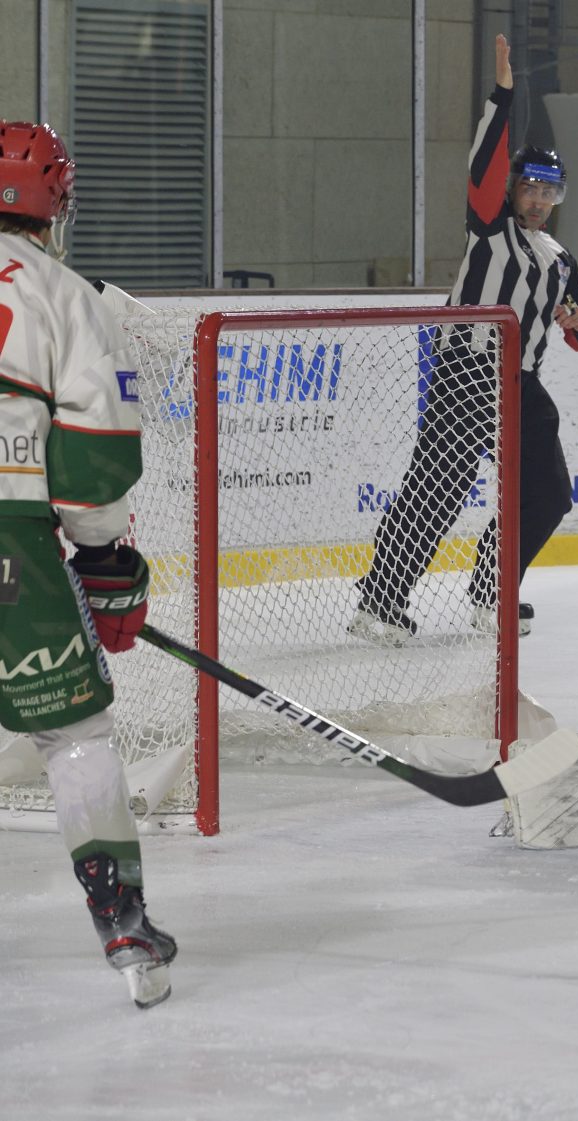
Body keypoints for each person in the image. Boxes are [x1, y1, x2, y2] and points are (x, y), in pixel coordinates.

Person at [0, 120, 177, 1007]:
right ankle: (123, 924)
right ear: (56, 204)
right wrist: (105, 558)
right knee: (74, 735)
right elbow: (93, 447)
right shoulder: (66, 294)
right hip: (11, 540)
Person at [351, 33, 578, 644]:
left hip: (521, 383)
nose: (538, 201)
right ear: (512, 189)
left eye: (549, 192)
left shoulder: (559, 258)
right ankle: (380, 601)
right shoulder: (489, 228)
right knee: (438, 486)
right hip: (466, 372)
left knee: (548, 494)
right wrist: (502, 95)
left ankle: (493, 589)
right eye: (530, 188)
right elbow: (484, 162)